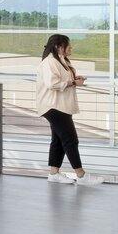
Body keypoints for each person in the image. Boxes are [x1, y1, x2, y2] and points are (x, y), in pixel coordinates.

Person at [35, 34, 100, 185]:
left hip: (60, 106)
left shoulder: (61, 60)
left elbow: (63, 79)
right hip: (53, 106)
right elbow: (52, 83)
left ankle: (54, 173)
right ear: (58, 46)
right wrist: (72, 82)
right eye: (68, 45)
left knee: (58, 140)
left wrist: (75, 79)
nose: (71, 48)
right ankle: (81, 175)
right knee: (70, 139)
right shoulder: (49, 62)